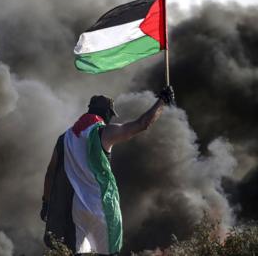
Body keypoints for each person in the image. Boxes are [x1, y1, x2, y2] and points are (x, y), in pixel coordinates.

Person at [41, 86, 174, 255]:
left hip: (77, 210)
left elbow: (50, 173)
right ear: (106, 113)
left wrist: (46, 202)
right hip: (102, 208)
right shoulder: (103, 132)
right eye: (110, 115)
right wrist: (162, 101)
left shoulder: (65, 138)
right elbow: (142, 124)